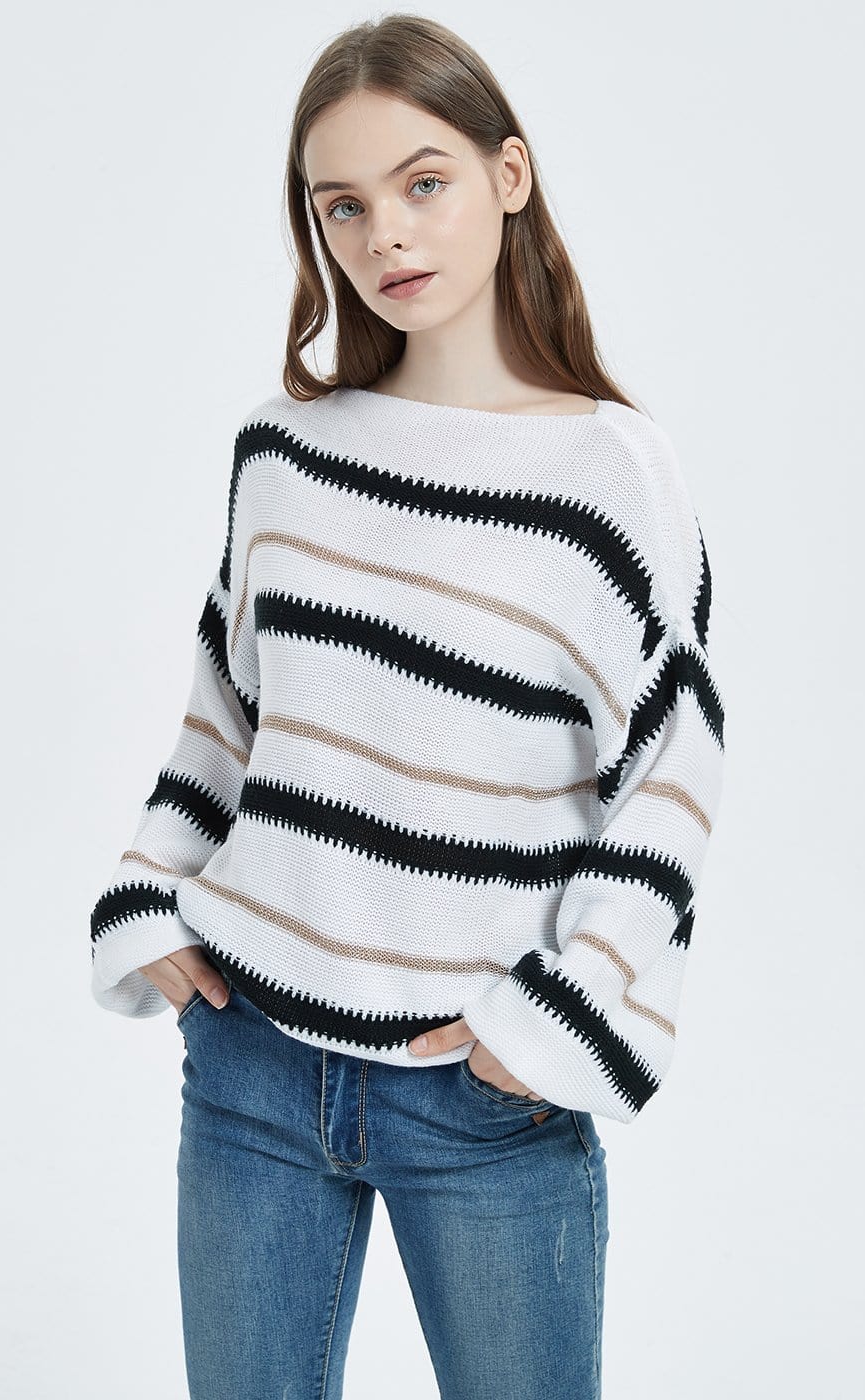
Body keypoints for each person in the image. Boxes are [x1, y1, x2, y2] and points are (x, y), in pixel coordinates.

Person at [89, 14, 726, 1398]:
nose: (385, 233)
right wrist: (147, 896)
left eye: (422, 182)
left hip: (481, 1095)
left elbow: (671, 778)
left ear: (510, 174)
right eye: (344, 204)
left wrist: (551, 1026)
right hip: (250, 1066)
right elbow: (225, 718)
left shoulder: (613, 475)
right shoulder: (285, 454)